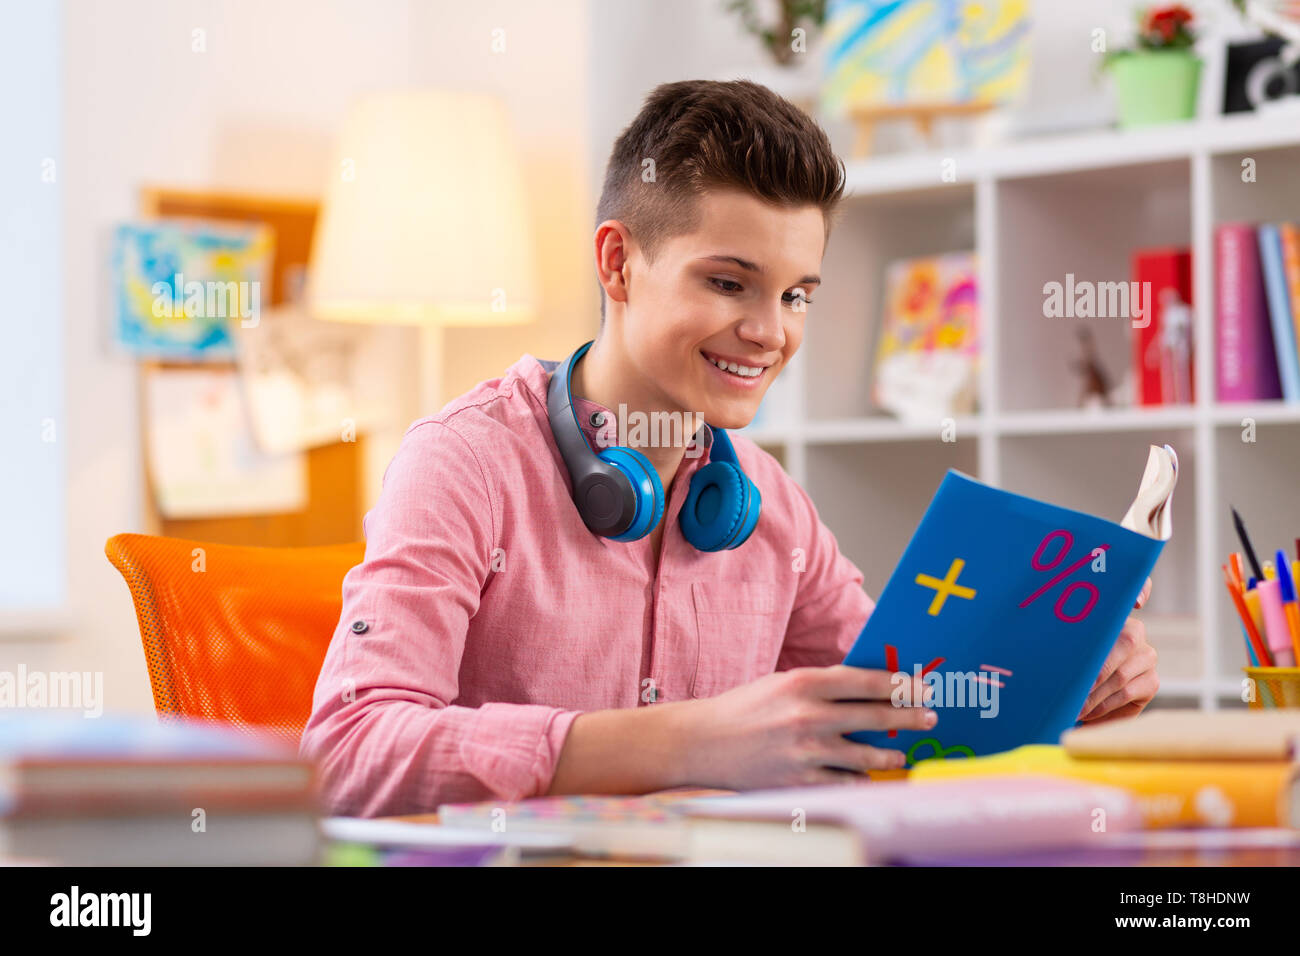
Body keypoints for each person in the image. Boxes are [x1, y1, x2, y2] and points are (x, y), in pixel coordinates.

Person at [299, 80, 1158, 817]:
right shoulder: (463, 463)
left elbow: (900, 713)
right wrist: (688, 742)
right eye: (727, 282)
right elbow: (347, 751)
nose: (769, 332)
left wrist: (1059, 679)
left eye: (797, 295)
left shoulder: (769, 504)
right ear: (618, 264)